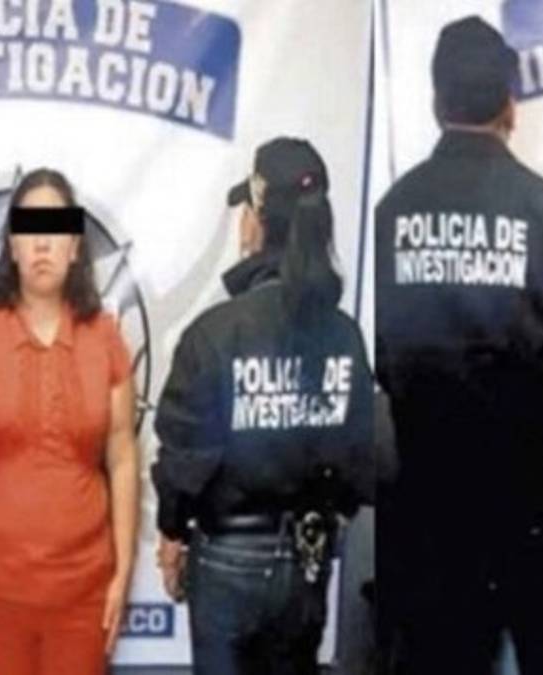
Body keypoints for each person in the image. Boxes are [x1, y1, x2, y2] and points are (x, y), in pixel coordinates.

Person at [374, 17, 543, 675]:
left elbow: (380, 349)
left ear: (435, 100)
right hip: (528, 493)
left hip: (427, 498)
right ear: (511, 105)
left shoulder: (393, 212)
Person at [151, 137, 375, 675]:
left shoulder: (215, 333)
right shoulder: (344, 336)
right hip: (309, 559)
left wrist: (172, 534)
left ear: (254, 220)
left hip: (228, 555)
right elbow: (361, 459)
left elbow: (184, 457)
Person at [0, 169, 139, 675]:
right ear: (12, 245)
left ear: (75, 246)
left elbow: (122, 460)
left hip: (84, 593)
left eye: (55, 228)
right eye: (30, 228)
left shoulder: (106, 339)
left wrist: (122, 573)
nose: (43, 244)